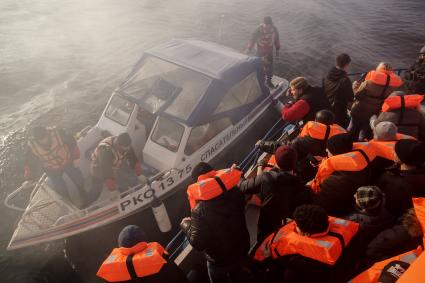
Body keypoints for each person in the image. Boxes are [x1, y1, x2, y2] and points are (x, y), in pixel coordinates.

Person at [180, 162, 252, 283]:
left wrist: (185, 224)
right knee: (239, 274)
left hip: (220, 261)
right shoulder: (235, 191)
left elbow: (198, 243)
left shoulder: (199, 210)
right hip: (242, 248)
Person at [254, 204, 359, 283]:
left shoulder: (297, 262)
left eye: (296, 226)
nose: (293, 226)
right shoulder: (347, 239)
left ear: (307, 234)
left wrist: (268, 260)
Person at [239, 145, 312, 240]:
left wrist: (239, 173)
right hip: (287, 222)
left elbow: (242, 187)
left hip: (268, 224)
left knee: (251, 194)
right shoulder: (300, 183)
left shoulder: (267, 177)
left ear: (276, 161)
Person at [97, 225, 188, 283]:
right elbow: (181, 279)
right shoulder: (161, 263)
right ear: (144, 241)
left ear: (121, 248)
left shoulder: (112, 276)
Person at [310, 133, 374, 215]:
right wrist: (323, 162)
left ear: (336, 153)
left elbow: (323, 204)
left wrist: (309, 187)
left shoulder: (332, 182)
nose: (326, 150)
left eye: (328, 149)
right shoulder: (363, 159)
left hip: (345, 209)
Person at [24, 126, 87, 206]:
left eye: (44, 137)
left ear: (47, 133)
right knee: (60, 189)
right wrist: (28, 178)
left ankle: (83, 194)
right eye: (40, 140)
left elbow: (72, 142)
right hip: (51, 169)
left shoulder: (59, 133)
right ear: (36, 139)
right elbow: (29, 162)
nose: (43, 141)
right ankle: (70, 205)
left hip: (68, 161)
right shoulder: (31, 146)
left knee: (78, 179)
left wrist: (76, 157)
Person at [349, 62, 403, 141]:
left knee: (352, 128)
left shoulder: (368, 83)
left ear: (378, 70)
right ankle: (361, 143)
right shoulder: (393, 87)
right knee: (364, 131)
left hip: (359, 110)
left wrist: (354, 87)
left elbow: (357, 96)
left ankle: (349, 142)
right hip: (374, 113)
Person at [376, 139, 425, 217]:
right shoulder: (420, 175)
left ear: (403, 158)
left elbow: (390, 208)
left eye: (396, 152)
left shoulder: (394, 183)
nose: (393, 152)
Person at [90, 133, 142, 202]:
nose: (125, 151)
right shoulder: (106, 151)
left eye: (127, 149)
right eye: (123, 150)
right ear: (117, 145)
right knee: (96, 190)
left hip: (115, 166)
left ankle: (125, 196)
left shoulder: (126, 144)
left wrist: (140, 174)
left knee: (122, 183)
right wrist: (112, 190)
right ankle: (88, 204)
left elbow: (133, 159)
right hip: (98, 169)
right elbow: (106, 172)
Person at [245, 16, 280, 88]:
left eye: (269, 24)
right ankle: (257, 80)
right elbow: (252, 39)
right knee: (257, 65)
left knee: (269, 68)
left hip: (269, 52)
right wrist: (248, 49)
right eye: (266, 24)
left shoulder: (274, 29)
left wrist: (277, 49)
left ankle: (268, 81)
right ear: (263, 23)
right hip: (259, 51)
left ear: (271, 24)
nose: (267, 26)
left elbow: (276, 39)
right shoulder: (258, 29)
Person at [323, 53, 354, 127]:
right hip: (338, 111)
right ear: (346, 65)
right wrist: (354, 87)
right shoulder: (345, 80)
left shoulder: (328, 75)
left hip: (326, 105)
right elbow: (351, 98)